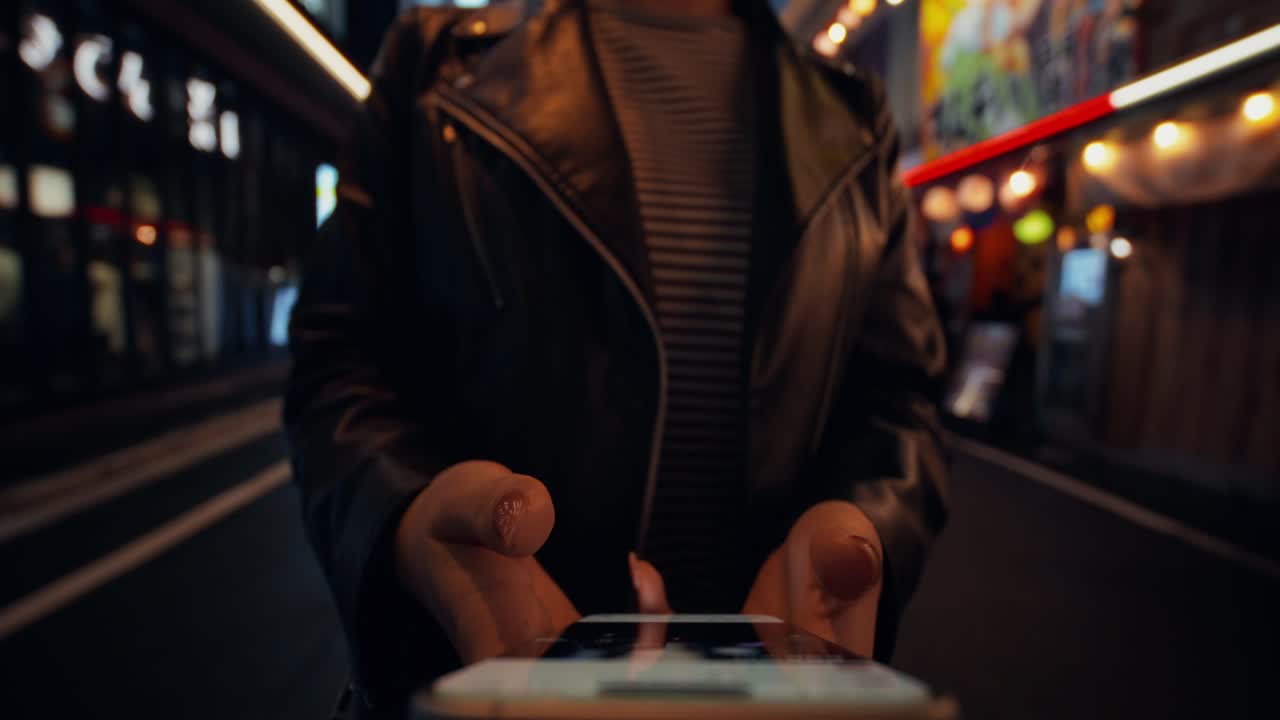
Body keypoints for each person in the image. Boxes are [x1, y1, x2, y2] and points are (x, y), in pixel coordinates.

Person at [285, 0, 949, 717]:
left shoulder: (853, 110)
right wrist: (407, 514)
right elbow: (341, 359)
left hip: (769, 699)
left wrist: (863, 522)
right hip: (494, 694)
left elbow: (898, 395)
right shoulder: (430, 64)